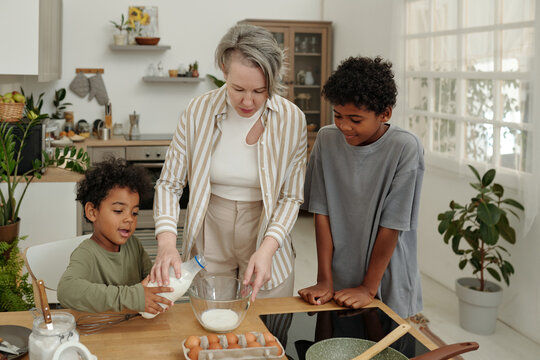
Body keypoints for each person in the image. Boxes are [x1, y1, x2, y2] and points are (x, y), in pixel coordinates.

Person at [152, 23, 307, 301]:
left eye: (260, 91)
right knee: (211, 322)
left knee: (266, 332)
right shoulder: (198, 111)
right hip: (211, 229)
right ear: (224, 69)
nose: (248, 101)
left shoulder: (292, 120)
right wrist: (166, 243)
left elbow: (290, 197)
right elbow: (169, 184)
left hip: (266, 229)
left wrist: (268, 248)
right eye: (238, 89)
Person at [298, 56, 424, 318]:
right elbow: (322, 213)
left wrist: (368, 288)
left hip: (386, 276)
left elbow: (393, 225)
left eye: (355, 119)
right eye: (338, 116)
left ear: (385, 113)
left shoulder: (405, 147)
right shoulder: (326, 139)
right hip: (340, 276)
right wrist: (325, 280)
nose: (344, 126)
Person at [58, 158, 173, 315]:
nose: (129, 219)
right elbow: (67, 290)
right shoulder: (86, 253)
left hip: (132, 330)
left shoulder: (134, 245)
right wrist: (133, 297)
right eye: (119, 211)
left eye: (134, 213)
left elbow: (150, 283)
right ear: (92, 212)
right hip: (102, 332)